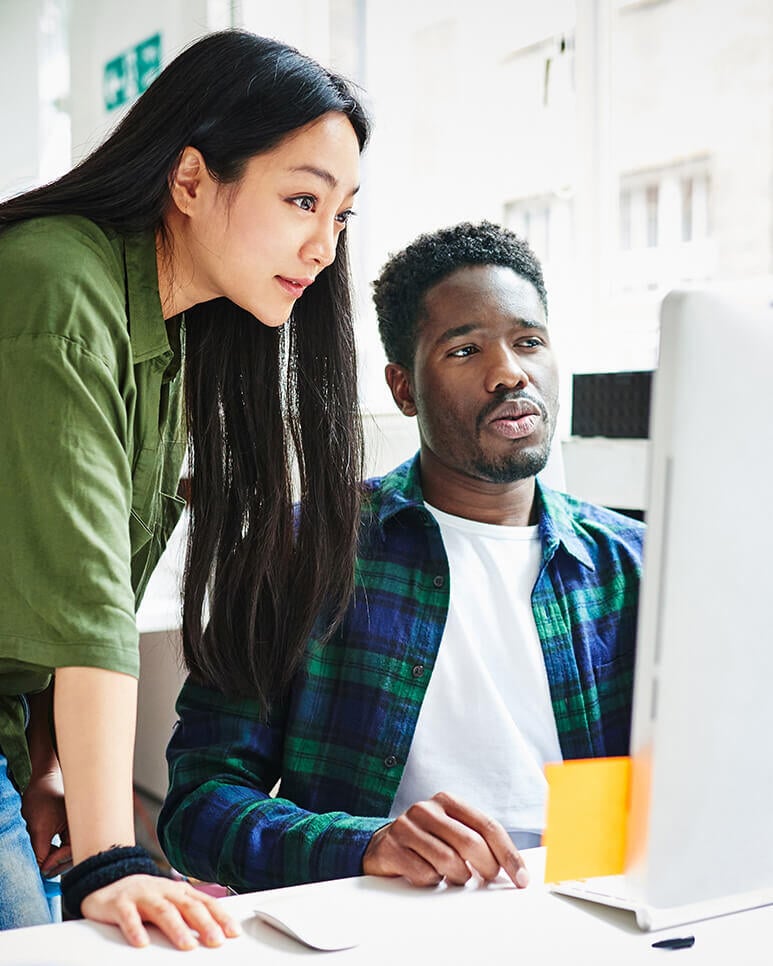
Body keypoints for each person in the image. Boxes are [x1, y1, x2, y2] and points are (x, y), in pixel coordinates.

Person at [0, 29, 370, 948]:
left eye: (340, 216)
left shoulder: (170, 340)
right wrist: (107, 855)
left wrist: (45, 767)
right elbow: (86, 599)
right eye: (300, 201)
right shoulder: (56, 284)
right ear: (192, 179)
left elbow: (46, 575)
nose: (322, 246)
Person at [158, 221, 645, 893]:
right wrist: (364, 845)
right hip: (381, 920)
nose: (509, 373)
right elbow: (197, 807)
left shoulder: (632, 569)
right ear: (403, 388)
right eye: (465, 350)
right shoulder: (301, 552)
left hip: (584, 909)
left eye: (528, 342)